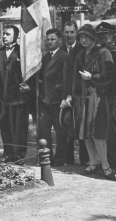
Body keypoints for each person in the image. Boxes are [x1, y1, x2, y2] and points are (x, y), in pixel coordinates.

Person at [68, 24, 116, 180]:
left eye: (86, 37)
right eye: (81, 37)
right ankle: (92, 162)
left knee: (97, 132)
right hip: (82, 98)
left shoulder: (103, 53)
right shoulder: (80, 55)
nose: (83, 40)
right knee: (85, 133)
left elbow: (110, 74)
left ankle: (106, 166)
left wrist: (92, 77)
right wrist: (72, 95)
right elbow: (74, 78)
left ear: (93, 38)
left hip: (98, 97)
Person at [0, 25, 31, 165]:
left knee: (20, 128)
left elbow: (32, 72)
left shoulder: (22, 52)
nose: (4, 37)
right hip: (1, 98)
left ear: (16, 36)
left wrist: (30, 87)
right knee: (4, 126)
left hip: (19, 98)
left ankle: (19, 155)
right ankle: (8, 153)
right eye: (4, 34)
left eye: (8, 34)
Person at [38, 29, 72, 167]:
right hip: (45, 99)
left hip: (58, 99)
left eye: (52, 39)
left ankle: (59, 159)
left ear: (60, 41)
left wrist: (66, 98)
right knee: (44, 130)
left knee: (60, 131)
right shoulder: (46, 57)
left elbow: (67, 79)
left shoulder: (64, 56)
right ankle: (48, 157)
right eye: (48, 39)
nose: (49, 42)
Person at [60, 21, 87, 166]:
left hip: (79, 93)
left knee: (81, 125)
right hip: (63, 93)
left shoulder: (82, 49)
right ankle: (68, 158)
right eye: (66, 32)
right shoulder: (60, 49)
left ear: (76, 33)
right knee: (66, 123)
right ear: (63, 33)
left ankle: (84, 159)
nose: (69, 35)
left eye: (72, 32)